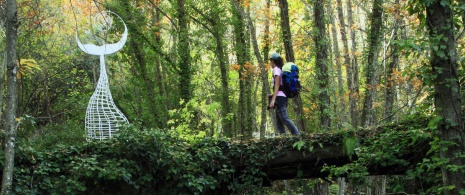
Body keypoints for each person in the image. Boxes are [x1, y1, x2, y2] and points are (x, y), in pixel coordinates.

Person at [268, 52, 300, 136]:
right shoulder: (280, 70)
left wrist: (273, 100)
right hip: (282, 97)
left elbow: (277, 85)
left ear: (273, 61)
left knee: (284, 118)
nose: (270, 63)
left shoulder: (276, 70)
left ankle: (297, 135)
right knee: (279, 122)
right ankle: (283, 138)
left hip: (280, 98)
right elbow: (280, 86)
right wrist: (273, 95)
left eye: (270, 61)